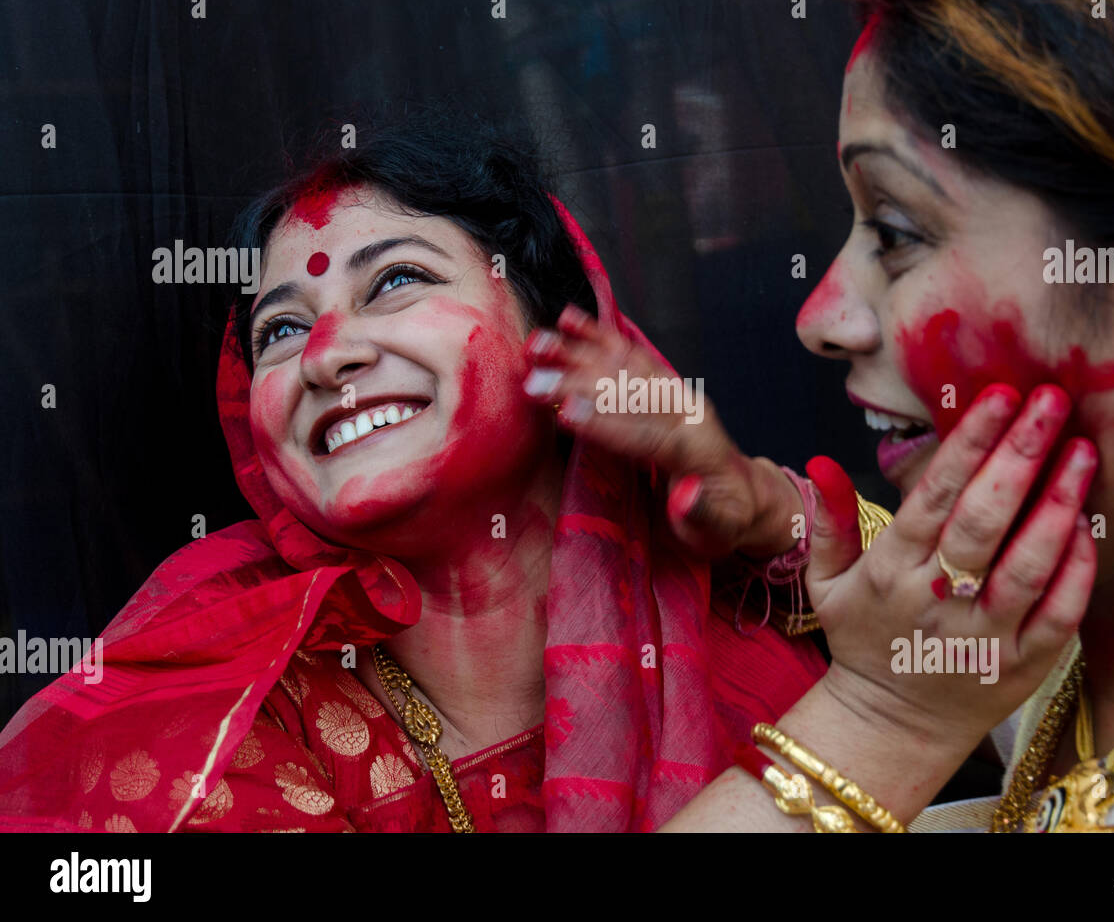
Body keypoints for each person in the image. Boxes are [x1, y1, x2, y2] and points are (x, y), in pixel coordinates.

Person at [0, 116, 834, 832]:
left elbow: (952, 643)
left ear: (566, 331)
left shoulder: (748, 587)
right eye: (280, 331)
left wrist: (764, 511)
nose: (328, 357)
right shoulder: (217, 697)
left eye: (397, 280)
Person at [676, 0, 1114, 832]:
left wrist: (881, 719)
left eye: (895, 232)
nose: (822, 319)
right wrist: (774, 515)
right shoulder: (1075, 633)